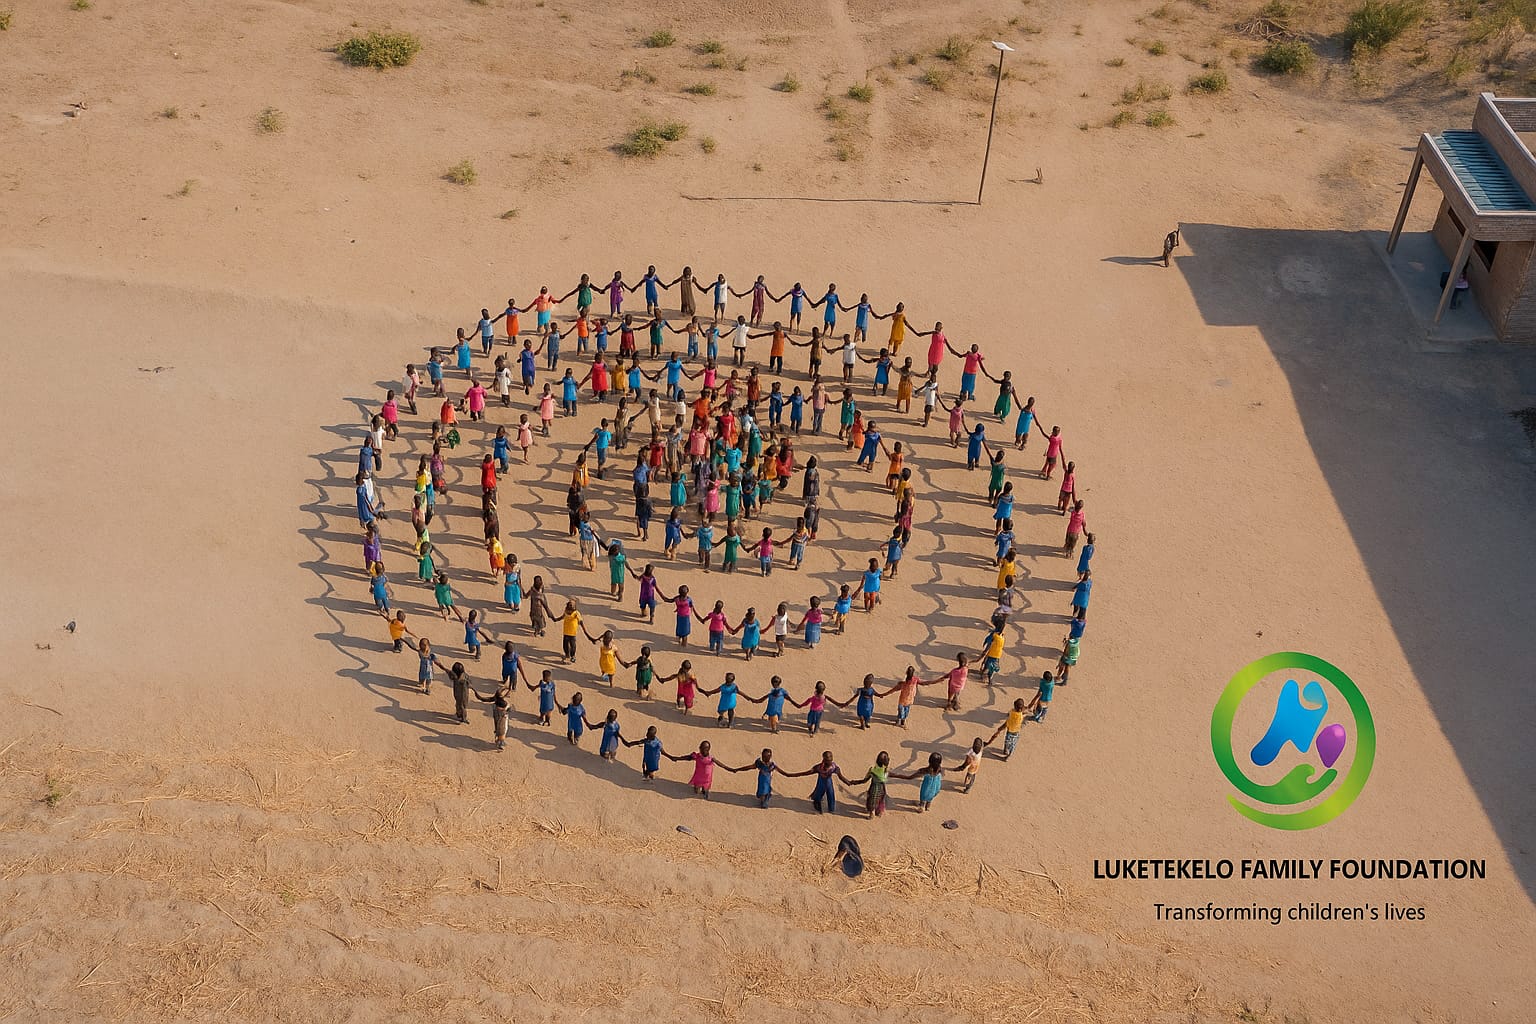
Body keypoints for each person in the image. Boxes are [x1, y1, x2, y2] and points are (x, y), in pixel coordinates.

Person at [471, 682, 513, 750]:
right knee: (503, 730)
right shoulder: (504, 704)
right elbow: (509, 709)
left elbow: (482, 698)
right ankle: (500, 743)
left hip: (496, 717)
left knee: (498, 728)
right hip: (503, 718)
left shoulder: (495, 704)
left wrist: (475, 692)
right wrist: (508, 690)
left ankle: (498, 741)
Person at [850, 751, 891, 818]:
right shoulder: (886, 772)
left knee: (872, 800)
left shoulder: (872, 770)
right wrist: (909, 777)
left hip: (873, 789)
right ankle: (879, 812)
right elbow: (900, 776)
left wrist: (854, 782)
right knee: (880, 800)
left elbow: (864, 780)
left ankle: (872, 814)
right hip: (882, 790)